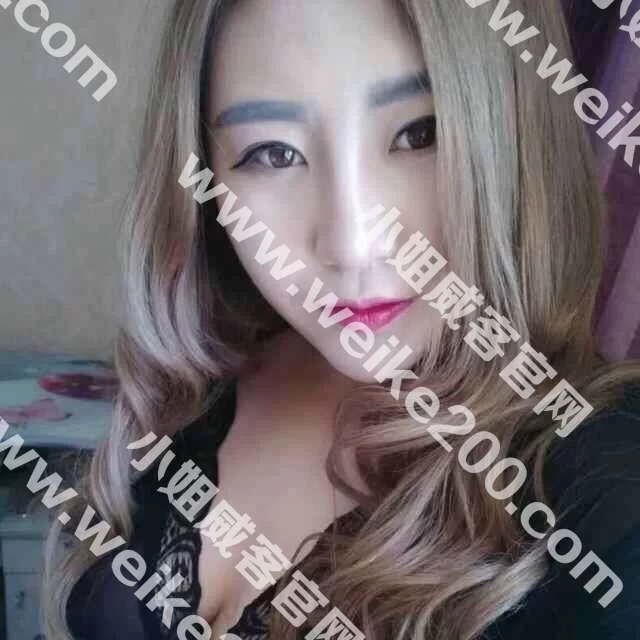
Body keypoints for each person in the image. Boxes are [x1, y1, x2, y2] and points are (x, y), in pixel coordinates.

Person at [43, 0, 640, 638]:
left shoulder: (601, 492)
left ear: (517, 138)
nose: (352, 245)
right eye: (273, 153)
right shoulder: (199, 380)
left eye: (421, 133)